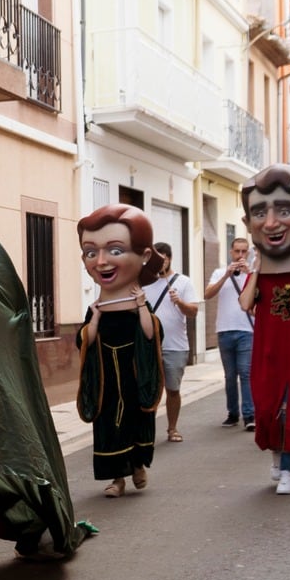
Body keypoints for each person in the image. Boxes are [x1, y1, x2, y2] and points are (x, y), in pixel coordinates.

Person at [237, 166, 290, 496]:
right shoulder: (261, 267)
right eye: (260, 213)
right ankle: (276, 459)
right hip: (266, 352)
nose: (271, 223)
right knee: (267, 408)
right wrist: (256, 272)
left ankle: (289, 469)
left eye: (283, 210)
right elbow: (246, 304)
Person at [77, 203, 164, 499]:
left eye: (114, 250)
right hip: (105, 383)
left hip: (134, 376)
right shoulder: (97, 308)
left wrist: (140, 304)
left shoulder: (141, 304)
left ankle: (138, 464)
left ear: (144, 256)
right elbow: (85, 341)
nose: (101, 262)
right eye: (91, 252)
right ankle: (117, 478)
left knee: (136, 421)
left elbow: (150, 334)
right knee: (108, 427)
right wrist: (97, 316)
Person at [141, 241, 201, 444]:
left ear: (170, 258)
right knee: (149, 390)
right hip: (149, 346)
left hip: (175, 346)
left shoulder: (183, 282)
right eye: (157, 258)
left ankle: (172, 428)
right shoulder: (144, 282)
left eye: (164, 257)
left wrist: (180, 302)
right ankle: (146, 432)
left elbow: (193, 311)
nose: (161, 261)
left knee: (173, 389)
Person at [204, 235, 257, 431]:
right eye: (237, 251)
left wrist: (250, 273)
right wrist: (226, 275)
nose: (241, 255)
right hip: (224, 330)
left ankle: (249, 415)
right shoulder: (219, 272)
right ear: (231, 252)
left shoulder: (253, 275)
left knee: (245, 373)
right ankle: (232, 413)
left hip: (247, 331)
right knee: (229, 376)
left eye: (245, 251)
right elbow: (207, 294)